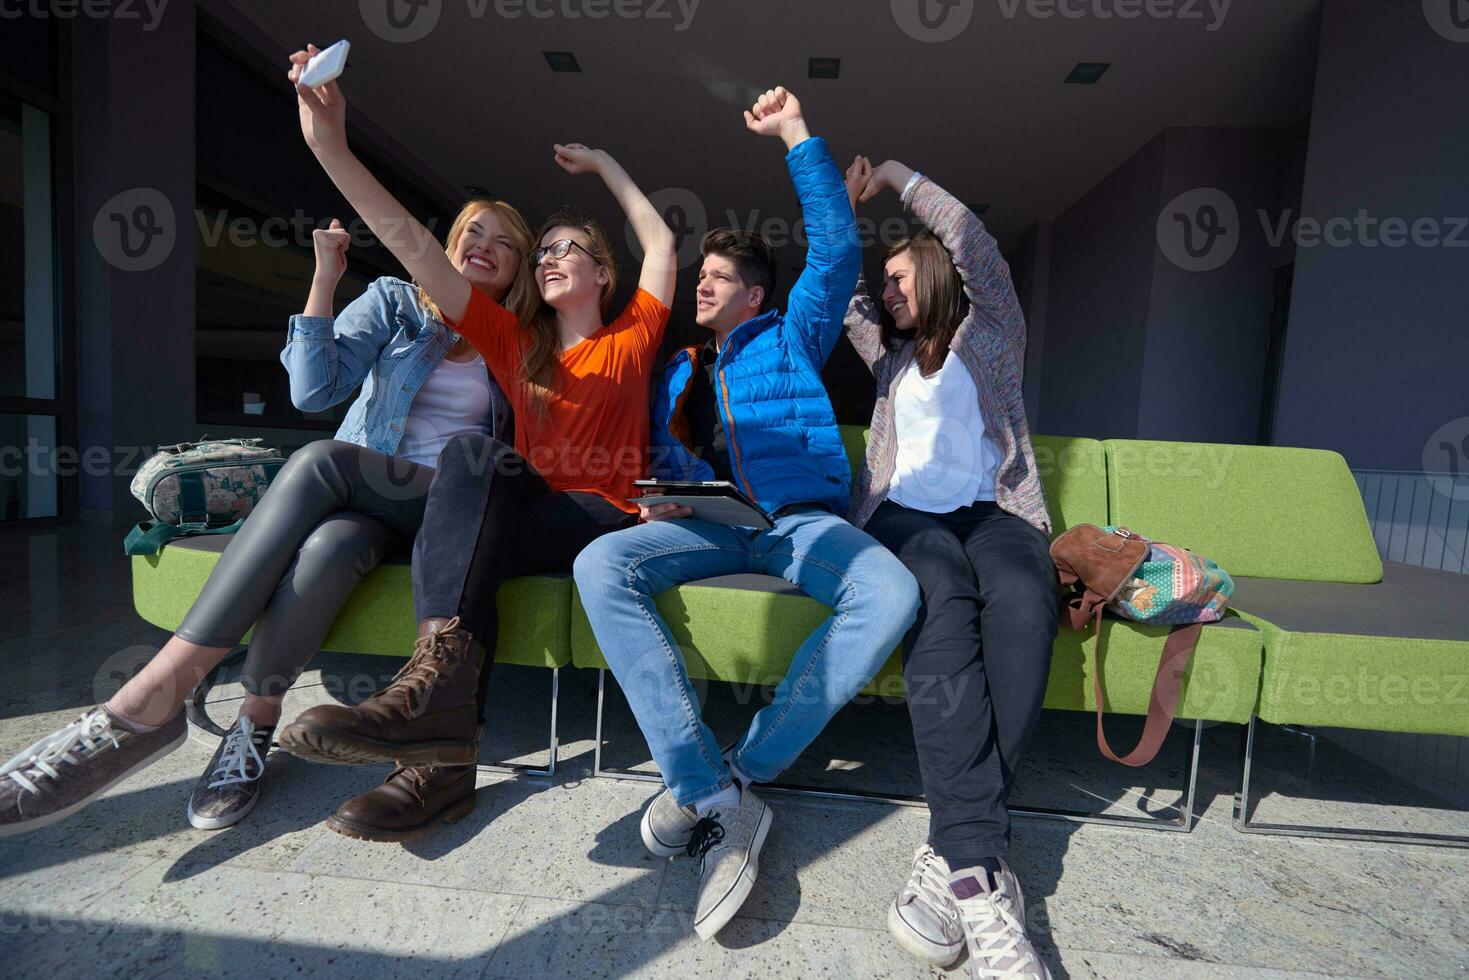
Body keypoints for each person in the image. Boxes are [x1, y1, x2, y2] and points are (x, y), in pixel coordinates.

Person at [0, 193, 532, 836]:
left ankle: (150, 698)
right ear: (446, 247)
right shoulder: (398, 303)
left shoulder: (519, 341)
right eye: (473, 231)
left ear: (518, 268)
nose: (484, 245)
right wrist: (325, 279)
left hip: (445, 512)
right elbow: (312, 390)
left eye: (504, 243)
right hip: (370, 503)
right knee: (330, 545)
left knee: (318, 462)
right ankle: (252, 728)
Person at [270, 45, 677, 843]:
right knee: (466, 467)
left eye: (569, 249)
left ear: (600, 274)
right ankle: (440, 749)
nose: (552, 256)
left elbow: (660, 243)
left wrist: (605, 168)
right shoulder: (509, 340)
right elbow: (417, 251)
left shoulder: (633, 335)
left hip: (598, 514)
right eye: (546, 247)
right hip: (525, 510)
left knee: (469, 520)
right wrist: (330, 148)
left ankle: (435, 756)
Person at [572, 87, 921, 941]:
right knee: (599, 564)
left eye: (721, 278)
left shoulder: (790, 335)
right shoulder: (679, 370)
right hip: (708, 523)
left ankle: (739, 771)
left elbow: (836, 249)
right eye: (701, 276)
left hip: (800, 523)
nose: (704, 286)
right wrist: (661, 494)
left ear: (756, 297)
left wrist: (796, 136)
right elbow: (659, 455)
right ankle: (704, 789)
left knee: (889, 593)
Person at [842, 155, 1059, 980]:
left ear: (935, 276)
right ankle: (978, 867)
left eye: (899, 277)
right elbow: (836, 286)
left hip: (991, 514)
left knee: (1022, 593)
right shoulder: (888, 362)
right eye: (885, 281)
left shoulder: (990, 332)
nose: (888, 292)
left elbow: (975, 244)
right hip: (905, 517)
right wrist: (833, 198)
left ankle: (950, 847)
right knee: (938, 590)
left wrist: (896, 175)